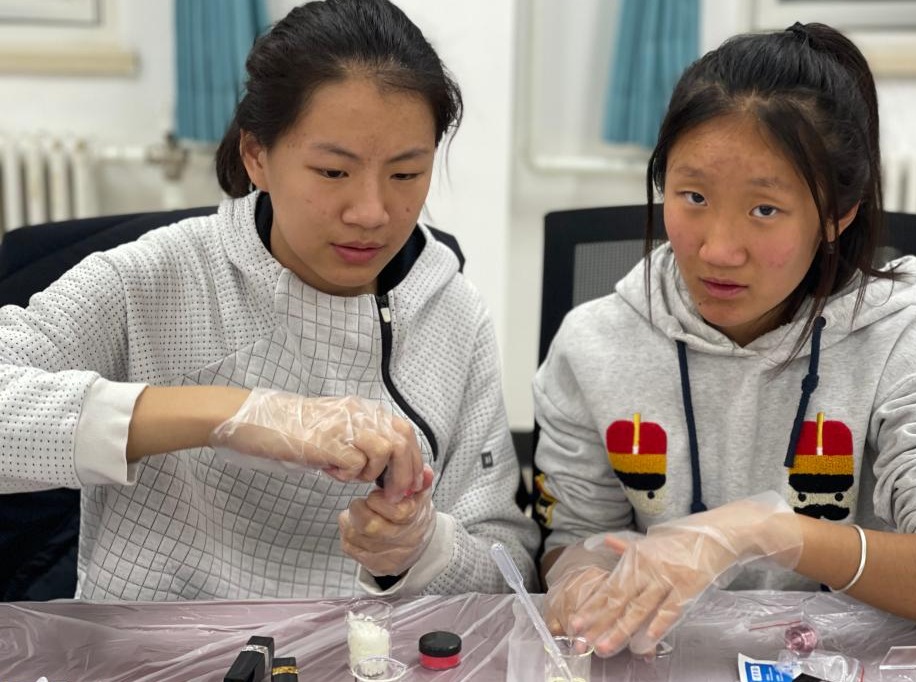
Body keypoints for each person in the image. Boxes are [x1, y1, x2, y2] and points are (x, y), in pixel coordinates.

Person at [0, 0, 537, 600]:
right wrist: (232, 414)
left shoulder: (453, 314)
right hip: (155, 641)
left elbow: (507, 564)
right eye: (333, 172)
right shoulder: (158, 276)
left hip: (358, 645)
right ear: (257, 155)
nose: (371, 212)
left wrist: (421, 547)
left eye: (406, 175)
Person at [534, 21, 916, 657]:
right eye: (693, 196)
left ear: (837, 215)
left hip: (840, 660)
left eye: (764, 210)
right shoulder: (593, 344)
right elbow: (574, 537)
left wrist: (765, 530)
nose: (719, 250)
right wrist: (579, 579)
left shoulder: (893, 339)